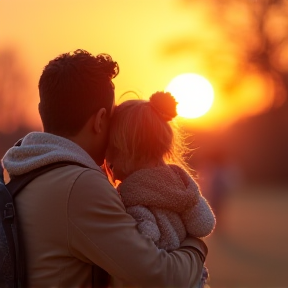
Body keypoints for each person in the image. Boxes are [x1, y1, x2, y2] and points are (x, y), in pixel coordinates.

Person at [2, 49, 208, 288]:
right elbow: (158, 275)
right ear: (100, 120)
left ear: (41, 111)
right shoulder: (80, 185)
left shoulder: (22, 169)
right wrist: (196, 246)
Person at [106, 91, 216, 288]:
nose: (107, 159)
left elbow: (144, 243)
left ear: (128, 151)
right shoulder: (182, 185)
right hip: (195, 280)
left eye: (110, 149)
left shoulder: (130, 198)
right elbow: (204, 224)